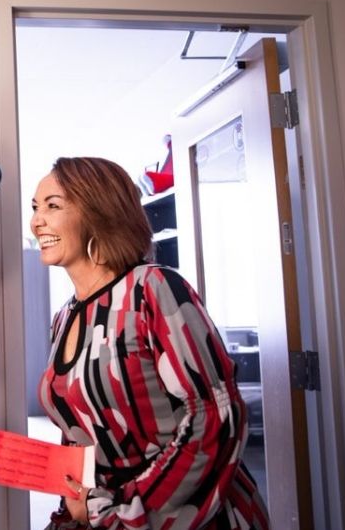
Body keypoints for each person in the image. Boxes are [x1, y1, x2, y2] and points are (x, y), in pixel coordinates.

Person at [30, 157, 270, 530]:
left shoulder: (153, 289)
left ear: (99, 211)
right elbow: (81, 434)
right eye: (34, 207)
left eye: (53, 206)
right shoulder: (64, 317)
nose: (36, 221)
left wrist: (118, 514)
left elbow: (214, 418)